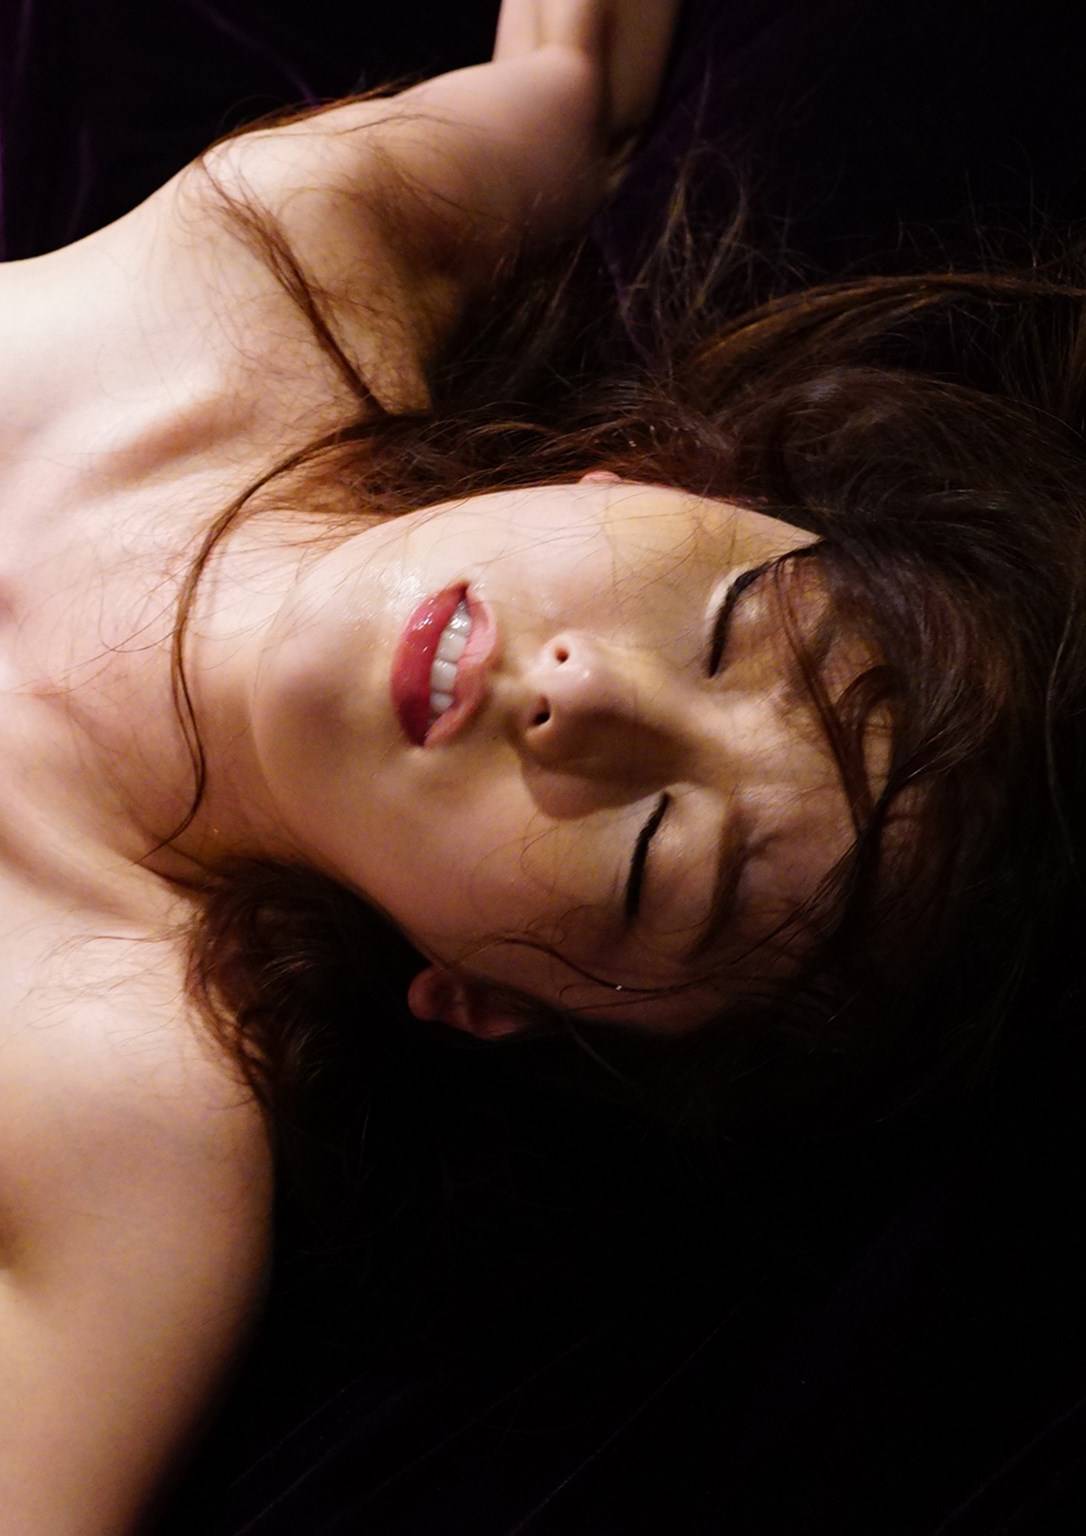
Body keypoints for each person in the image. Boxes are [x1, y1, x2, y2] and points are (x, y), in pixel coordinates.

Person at [2, 1, 1086, 1530]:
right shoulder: (297, 246)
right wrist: (564, 86)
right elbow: (567, 87)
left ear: (486, 999)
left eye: (650, 854)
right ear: (646, 475)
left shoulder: (133, 1132)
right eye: (722, 628)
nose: (584, 693)